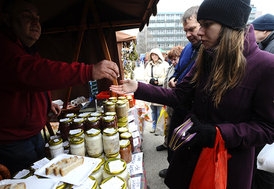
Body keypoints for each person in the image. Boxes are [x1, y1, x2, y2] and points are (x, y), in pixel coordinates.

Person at [110, 0, 274, 188]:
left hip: (227, 168)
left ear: (230, 26)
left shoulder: (266, 66)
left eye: (207, 25)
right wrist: (138, 87)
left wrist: (219, 134)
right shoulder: (206, 56)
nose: (199, 32)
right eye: (200, 24)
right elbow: (178, 96)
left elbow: (268, 128)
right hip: (190, 156)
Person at [0, 0, 119, 176]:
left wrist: (47, 103)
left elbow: (35, 83)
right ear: (7, 19)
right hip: (13, 142)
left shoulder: (28, 50)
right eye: (27, 16)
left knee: (44, 174)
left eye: (37, 18)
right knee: (30, 181)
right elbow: (34, 73)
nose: (35, 22)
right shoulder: (5, 48)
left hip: (33, 134)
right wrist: (89, 71)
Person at [158, 5, 201, 178]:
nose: (188, 35)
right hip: (178, 105)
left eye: (192, 29)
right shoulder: (188, 48)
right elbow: (177, 70)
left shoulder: (209, 50)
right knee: (172, 143)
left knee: (187, 150)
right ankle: (172, 169)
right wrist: (173, 78)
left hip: (192, 111)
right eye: (186, 31)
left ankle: (182, 177)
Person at [251, 13, 274, 189]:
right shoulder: (266, 45)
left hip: (268, 117)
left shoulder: (270, 50)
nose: (251, 33)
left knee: (265, 166)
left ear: (265, 31)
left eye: (254, 30)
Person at [156, 46, 183, 151]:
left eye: (175, 59)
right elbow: (166, 83)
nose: (173, 62)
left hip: (178, 104)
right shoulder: (170, 68)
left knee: (176, 127)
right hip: (169, 101)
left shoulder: (184, 68)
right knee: (168, 125)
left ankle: (174, 147)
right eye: (171, 59)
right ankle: (166, 143)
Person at [144, 48, 169, 133]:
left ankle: (159, 128)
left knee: (160, 110)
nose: (154, 56)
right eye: (152, 55)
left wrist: (159, 81)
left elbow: (167, 77)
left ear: (159, 55)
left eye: (156, 55)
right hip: (151, 89)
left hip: (160, 89)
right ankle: (154, 126)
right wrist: (150, 80)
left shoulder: (165, 64)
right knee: (153, 110)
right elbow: (145, 76)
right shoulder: (149, 65)